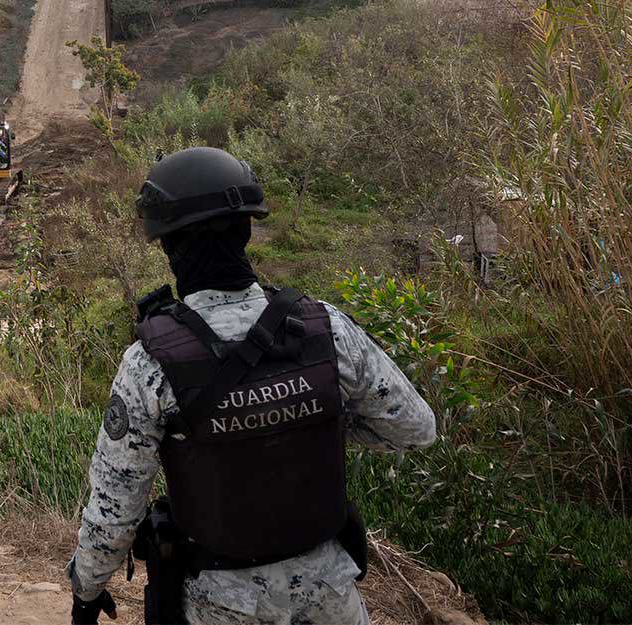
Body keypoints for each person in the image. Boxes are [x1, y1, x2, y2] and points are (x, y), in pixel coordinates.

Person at [67, 147, 437, 625]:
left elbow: (115, 504)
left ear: (168, 245)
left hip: (223, 606)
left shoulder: (150, 364)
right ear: (245, 229)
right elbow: (416, 428)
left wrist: (87, 590)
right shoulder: (326, 328)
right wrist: (312, 419)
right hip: (333, 597)